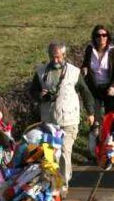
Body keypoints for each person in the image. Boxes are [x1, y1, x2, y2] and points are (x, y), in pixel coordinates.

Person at [29, 42, 95, 191]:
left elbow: (86, 93)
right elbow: (32, 92)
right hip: (49, 122)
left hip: (69, 120)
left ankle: (62, 186)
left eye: (58, 57)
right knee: (51, 155)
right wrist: (40, 95)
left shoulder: (74, 72)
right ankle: (54, 183)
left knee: (64, 151)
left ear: (64, 55)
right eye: (52, 57)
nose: (55, 60)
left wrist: (90, 113)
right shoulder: (40, 72)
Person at [81, 24, 114, 122]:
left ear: (107, 36)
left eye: (104, 35)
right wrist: (84, 69)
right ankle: (97, 135)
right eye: (98, 35)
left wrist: (113, 87)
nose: (101, 38)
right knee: (95, 116)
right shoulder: (90, 50)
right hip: (94, 87)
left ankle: (111, 135)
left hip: (109, 87)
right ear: (94, 37)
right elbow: (85, 65)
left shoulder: (113, 51)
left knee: (110, 117)